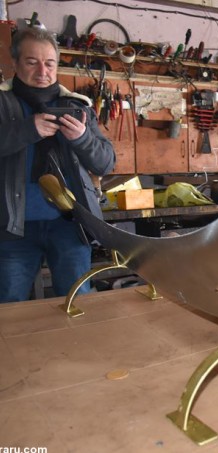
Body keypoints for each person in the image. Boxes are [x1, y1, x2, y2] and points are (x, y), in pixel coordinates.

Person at [0, 28, 116, 302]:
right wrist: (27, 130)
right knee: (9, 308)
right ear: (15, 63)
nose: (43, 71)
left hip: (70, 225)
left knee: (77, 302)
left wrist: (82, 138)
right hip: (12, 228)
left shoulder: (78, 106)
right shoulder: (2, 104)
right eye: (32, 62)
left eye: (50, 63)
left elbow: (106, 163)